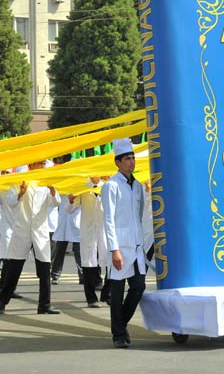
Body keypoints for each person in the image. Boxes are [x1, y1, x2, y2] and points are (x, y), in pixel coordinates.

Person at [103, 139, 153, 348]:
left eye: (133, 158)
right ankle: (119, 335)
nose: (131, 162)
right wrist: (114, 249)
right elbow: (109, 219)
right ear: (117, 162)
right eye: (127, 159)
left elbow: (139, 215)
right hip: (120, 247)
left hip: (136, 246)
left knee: (139, 287)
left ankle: (120, 325)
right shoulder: (111, 186)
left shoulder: (139, 187)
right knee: (117, 291)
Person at [0, 162, 61, 315]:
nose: (43, 166)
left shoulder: (45, 182)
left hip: (40, 231)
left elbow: (55, 202)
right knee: (14, 269)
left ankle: (44, 304)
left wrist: (52, 190)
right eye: (41, 163)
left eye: (44, 163)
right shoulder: (20, 179)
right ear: (33, 164)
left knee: (45, 270)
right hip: (22, 229)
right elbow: (10, 202)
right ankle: (2, 301)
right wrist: (21, 193)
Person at [80, 177, 110, 307]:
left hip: (105, 230)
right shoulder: (82, 187)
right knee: (88, 265)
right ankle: (91, 298)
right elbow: (69, 208)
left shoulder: (108, 186)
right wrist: (70, 201)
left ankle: (107, 294)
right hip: (88, 230)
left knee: (110, 263)